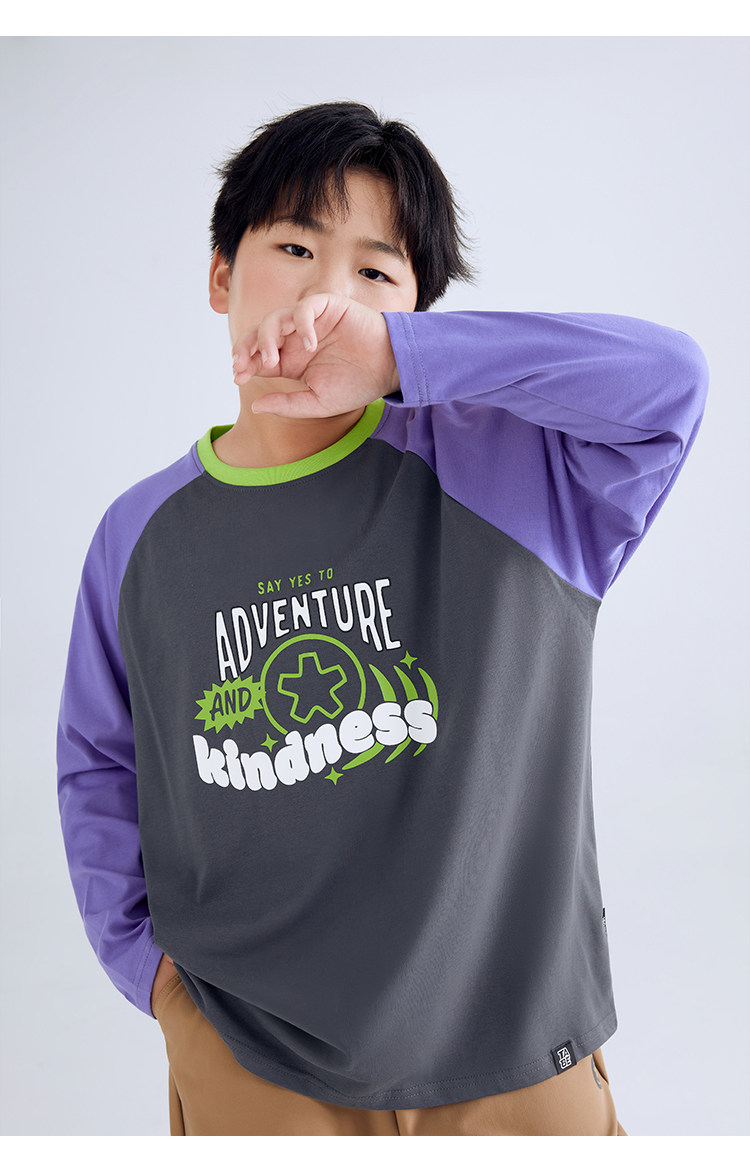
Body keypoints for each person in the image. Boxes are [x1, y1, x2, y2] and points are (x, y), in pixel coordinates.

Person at [57, 100, 708, 1137]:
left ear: (413, 314)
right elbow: (100, 761)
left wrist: (402, 361)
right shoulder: (139, 534)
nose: (327, 295)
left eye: (376, 271)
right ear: (221, 275)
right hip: (254, 1062)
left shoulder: (521, 477)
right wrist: (156, 977)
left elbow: (671, 381)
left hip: (517, 1058)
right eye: (295, 248)